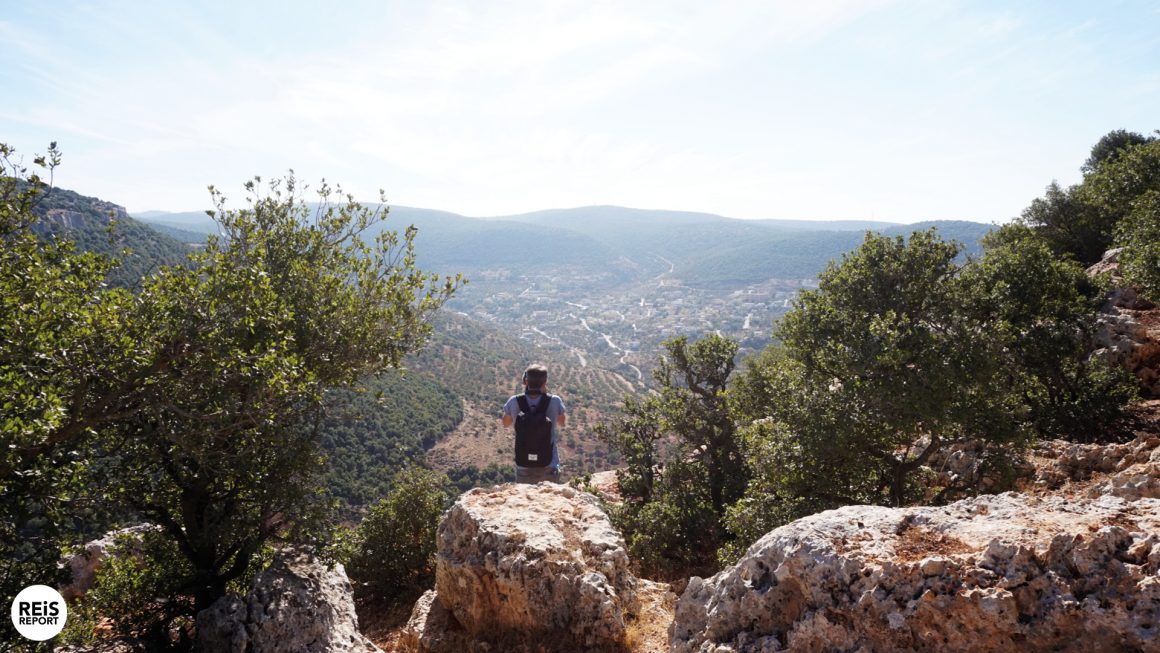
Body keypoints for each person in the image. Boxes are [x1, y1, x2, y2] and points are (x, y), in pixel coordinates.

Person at [502, 363, 566, 484]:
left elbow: (505, 424)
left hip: (524, 465)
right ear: (545, 382)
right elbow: (562, 423)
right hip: (549, 463)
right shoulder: (555, 400)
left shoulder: (514, 401)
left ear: (526, 381)